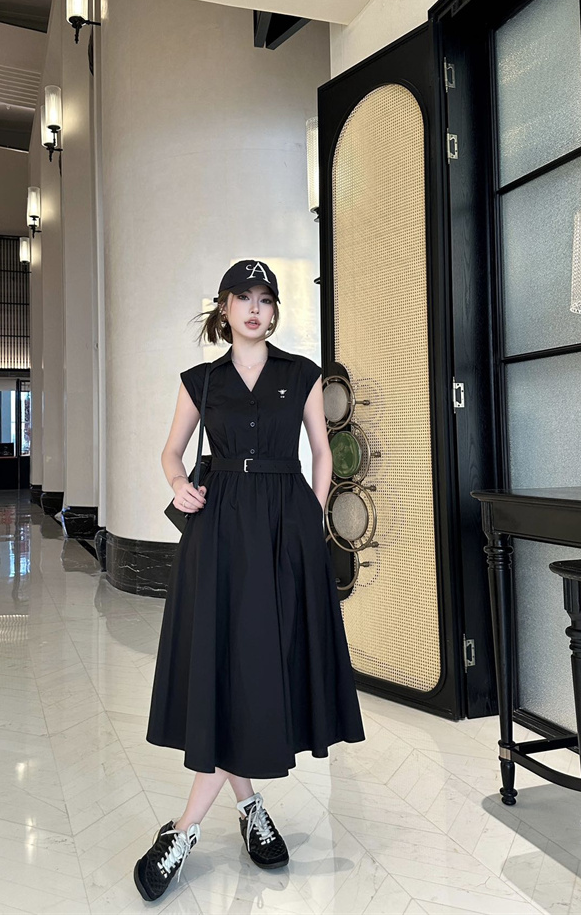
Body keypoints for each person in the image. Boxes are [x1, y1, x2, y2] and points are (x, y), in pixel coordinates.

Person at [133, 260, 365, 903]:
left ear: (274, 311)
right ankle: (243, 809)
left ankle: (190, 828)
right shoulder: (202, 381)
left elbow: (321, 450)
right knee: (229, 665)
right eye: (244, 298)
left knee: (259, 665)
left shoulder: (301, 374)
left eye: (265, 299)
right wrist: (177, 483)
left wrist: (310, 515)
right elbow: (171, 451)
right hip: (220, 536)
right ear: (225, 308)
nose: (255, 309)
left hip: (284, 533)